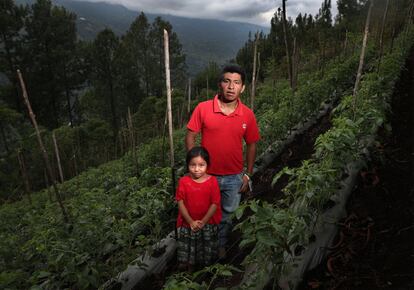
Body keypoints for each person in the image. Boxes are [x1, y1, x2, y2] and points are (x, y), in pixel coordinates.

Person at [185, 65, 260, 258]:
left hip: (234, 177)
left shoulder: (247, 114)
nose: (231, 87)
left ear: (242, 87)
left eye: (236, 82)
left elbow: (252, 145)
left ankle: (220, 247)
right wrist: (195, 167)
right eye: (227, 81)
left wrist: (248, 174)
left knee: (227, 216)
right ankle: (202, 250)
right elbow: (190, 136)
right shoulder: (203, 108)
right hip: (207, 176)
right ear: (220, 84)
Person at [176, 146, 222, 270]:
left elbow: (215, 203)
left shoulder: (212, 181)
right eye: (192, 165)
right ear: (187, 165)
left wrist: (203, 222)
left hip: (207, 224)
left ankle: (206, 271)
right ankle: (189, 272)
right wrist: (190, 221)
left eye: (201, 165)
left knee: (206, 250)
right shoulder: (183, 181)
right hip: (188, 224)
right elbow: (180, 201)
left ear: (208, 165)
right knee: (189, 250)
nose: (197, 169)